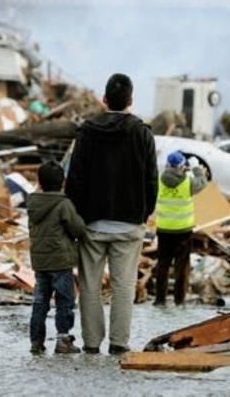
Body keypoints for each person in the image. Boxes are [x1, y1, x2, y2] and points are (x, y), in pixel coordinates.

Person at [65, 73, 158, 355]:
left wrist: (77, 217)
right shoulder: (143, 133)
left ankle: (91, 342)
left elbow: (75, 180)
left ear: (105, 99)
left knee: (90, 286)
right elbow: (151, 179)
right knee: (124, 286)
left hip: (92, 223)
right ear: (130, 100)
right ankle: (119, 342)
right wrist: (144, 213)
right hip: (129, 224)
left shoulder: (87, 133)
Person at [28, 159, 86, 355]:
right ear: (62, 182)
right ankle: (63, 340)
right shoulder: (64, 204)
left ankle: (36, 341)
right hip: (61, 261)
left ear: (40, 181)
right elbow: (77, 229)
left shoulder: (33, 203)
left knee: (40, 302)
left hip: (40, 261)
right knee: (64, 301)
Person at [153, 151, 208, 307]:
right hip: (183, 231)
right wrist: (196, 168)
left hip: (164, 230)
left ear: (168, 165)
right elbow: (203, 182)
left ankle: (160, 300)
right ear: (181, 166)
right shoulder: (188, 182)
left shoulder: (158, 180)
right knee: (181, 267)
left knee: (163, 265)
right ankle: (179, 300)